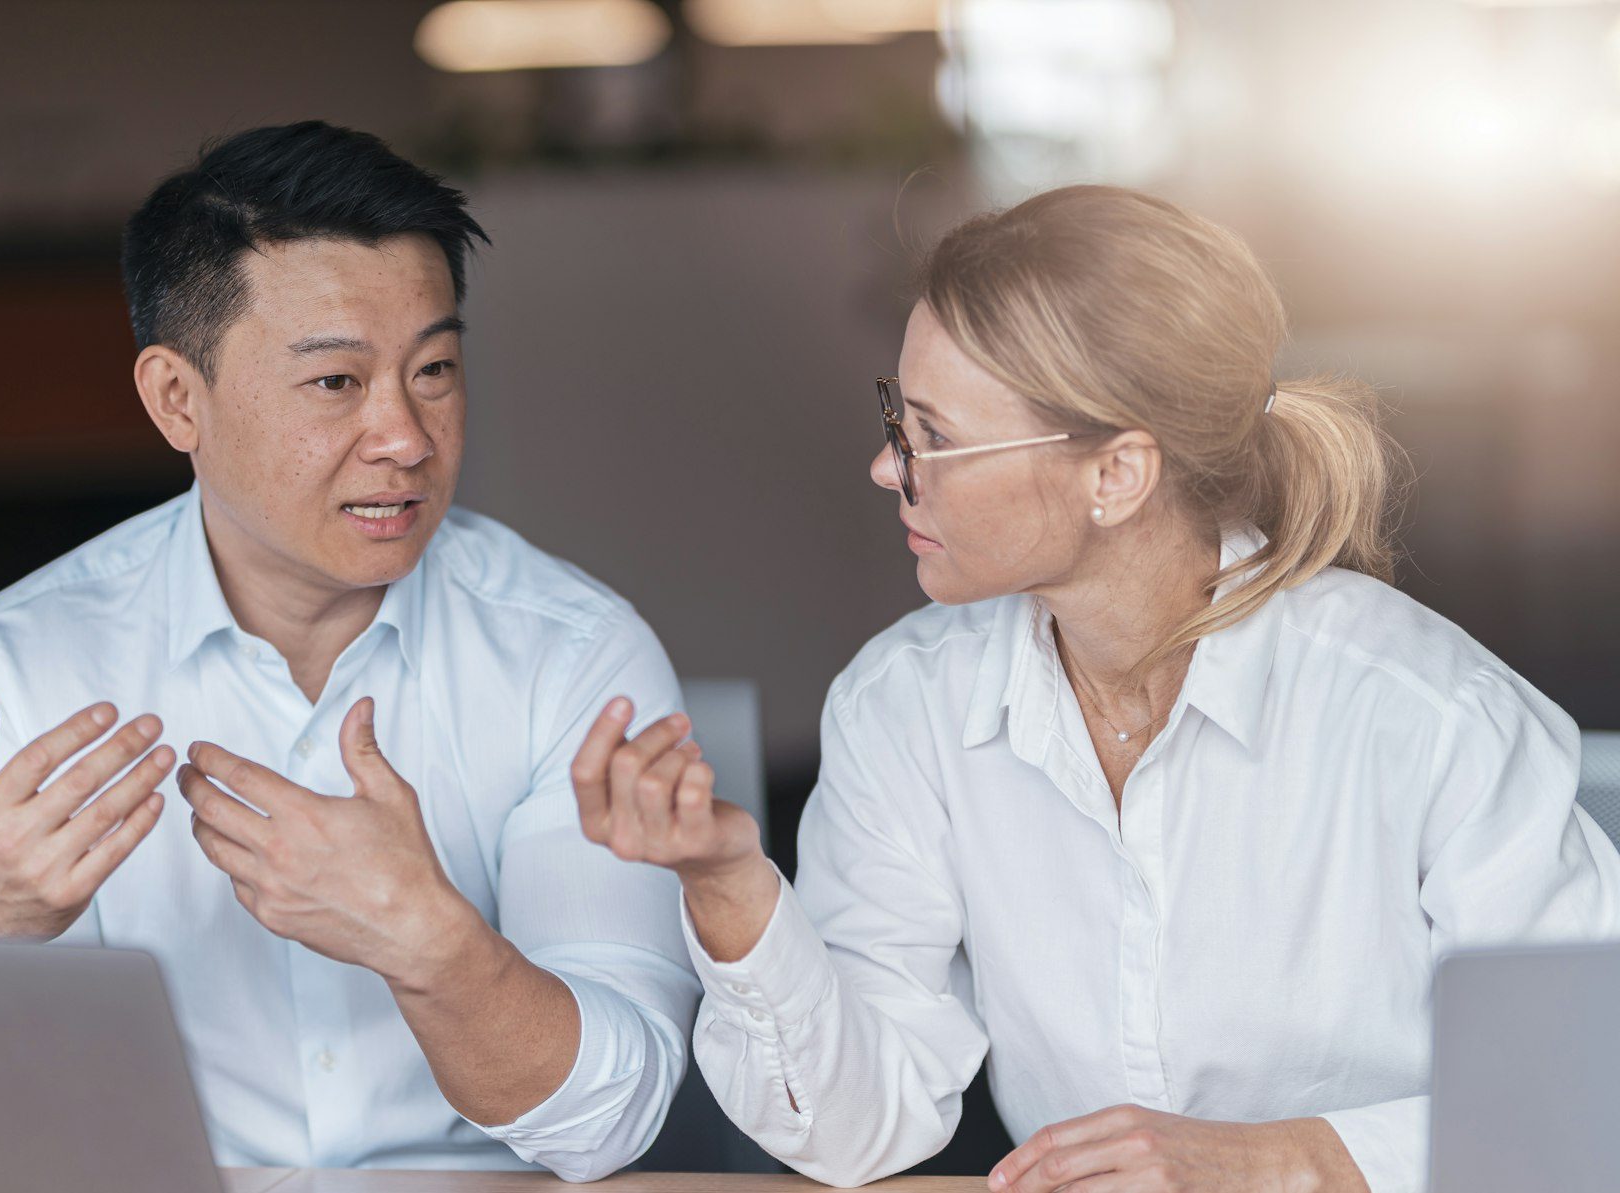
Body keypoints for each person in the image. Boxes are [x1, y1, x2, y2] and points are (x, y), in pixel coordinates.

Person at [568, 184, 1620, 1192]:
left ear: (1116, 473)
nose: (888, 469)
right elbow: (857, 1128)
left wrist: (1289, 1161)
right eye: (900, 417)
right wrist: (727, 884)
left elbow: (1583, 1092)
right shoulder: (905, 703)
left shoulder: (1426, 714)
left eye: (932, 436)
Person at [0, 122, 699, 1181]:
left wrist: (429, 941)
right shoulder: (19, 670)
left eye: (434, 369)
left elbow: (612, 1123)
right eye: (336, 383)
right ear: (176, 398)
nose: (405, 435)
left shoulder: (573, 656)